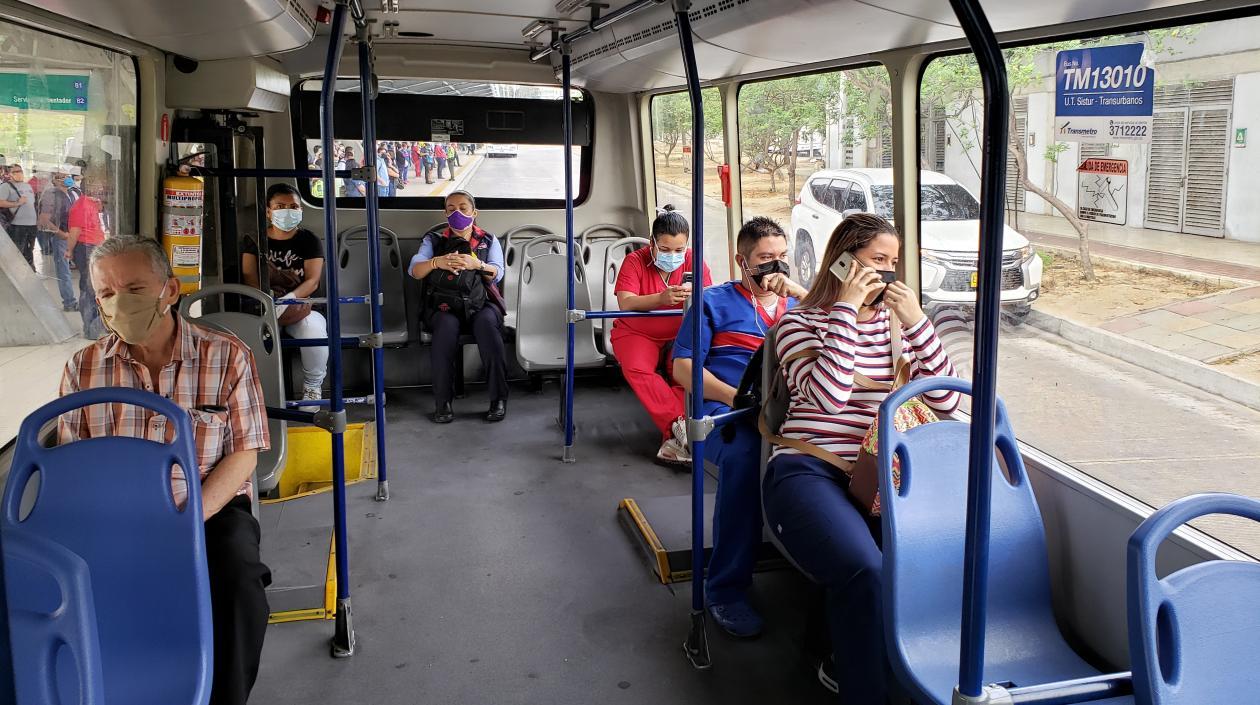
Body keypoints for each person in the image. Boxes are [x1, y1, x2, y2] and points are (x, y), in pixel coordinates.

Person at [57, 235, 271, 705]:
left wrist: (189, 520)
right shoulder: (84, 369)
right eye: (107, 295)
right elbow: (73, 465)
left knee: (237, 579)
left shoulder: (226, 355)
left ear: (170, 290)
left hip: (207, 504)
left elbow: (244, 453)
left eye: (134, 288)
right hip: (117, 511)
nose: (120, 304)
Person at [761, 213, 960, 705]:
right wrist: (845, 310)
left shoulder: (898, 328)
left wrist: (916, 321)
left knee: (932, 561)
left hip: (880, 475)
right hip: (808, 468)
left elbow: (948, 403)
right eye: (876, 262)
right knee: (865, 569)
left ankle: (885, 664)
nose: (887, 273)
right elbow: (826, 398)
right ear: (843, 262)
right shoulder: (798, 322)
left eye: (893, 263)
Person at [671, 216, 807, 638]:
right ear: (742, 261)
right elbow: (682, 368)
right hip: (727, 415)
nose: (775, 268)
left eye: (782, 258)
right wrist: (738, 398)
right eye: (765, 259)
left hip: (789, 411)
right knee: (747, 461)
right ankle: (725, 587)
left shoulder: (800, 307)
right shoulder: (711, 303)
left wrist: (802, 295)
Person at [609, 205, 711, 465]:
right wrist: (661, 298)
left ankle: (676, 438)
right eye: (665, 250)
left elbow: (708, 300)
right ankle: (680, 424)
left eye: (679, 250)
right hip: (638, 330)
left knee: (686, 372)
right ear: (652, 242)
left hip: (680, 330)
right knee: (638, 368)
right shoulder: (635, 261)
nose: (673, 256)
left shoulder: (693, 261)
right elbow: (627, 303)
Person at [408, 190, 508, 424]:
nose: (458, 213)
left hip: (480, 303)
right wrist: (437, 262)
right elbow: (414, 270)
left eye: (463, 208)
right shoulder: (433, 240)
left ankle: (498, 399)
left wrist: (476, 263)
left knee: (488, 327)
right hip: (444, 305)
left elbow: (498, 272)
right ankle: (443, 402)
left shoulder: (488, 240)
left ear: (474, 212)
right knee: (444, 330)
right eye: (451, 209)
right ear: (445, 213)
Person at [242, 183, 327, 408]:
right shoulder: (254, 240)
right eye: (280, 206)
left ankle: (312, 387)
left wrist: (288, 299)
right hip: (263, 304)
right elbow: (249, 275)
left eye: (293, 206)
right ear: (268, 211)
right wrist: (268, 300)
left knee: (312, 331)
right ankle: (263, 392)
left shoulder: (309, 240)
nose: (287, 211)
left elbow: (312, 281)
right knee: (258, 334)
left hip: (302, 306)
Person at [64, 171, 109, 339]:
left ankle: (96, 325)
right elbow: (74, 231)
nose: (100, 190)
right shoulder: (80, 206)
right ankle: (91, 329)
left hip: (95, 247)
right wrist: (69, 250)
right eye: (97, 188)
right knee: (89, 289)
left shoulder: (93, 204)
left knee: (94, 288)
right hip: (86, 248)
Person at [38, 170, 79, 311]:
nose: (66, 179)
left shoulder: (74, 193)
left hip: (75, 235)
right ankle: (69, 302)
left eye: (67, 176)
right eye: (61, 177)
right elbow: (44, 219)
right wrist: (61, 233)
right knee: (64, 270)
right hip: (63, 237)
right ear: (54, 180)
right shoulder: (51, 195)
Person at [0, 163, 39, 268]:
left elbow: (32, 203)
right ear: (9, 174)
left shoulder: (27, 185)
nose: (19, 174)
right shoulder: (6, 186)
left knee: (29, 250)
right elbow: (1, 202)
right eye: (15, 172)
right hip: (17, 225)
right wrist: (17, 203)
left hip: (32, 224)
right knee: (18, 251)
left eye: (20, 171)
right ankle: (18, 272)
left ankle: (30, 270)